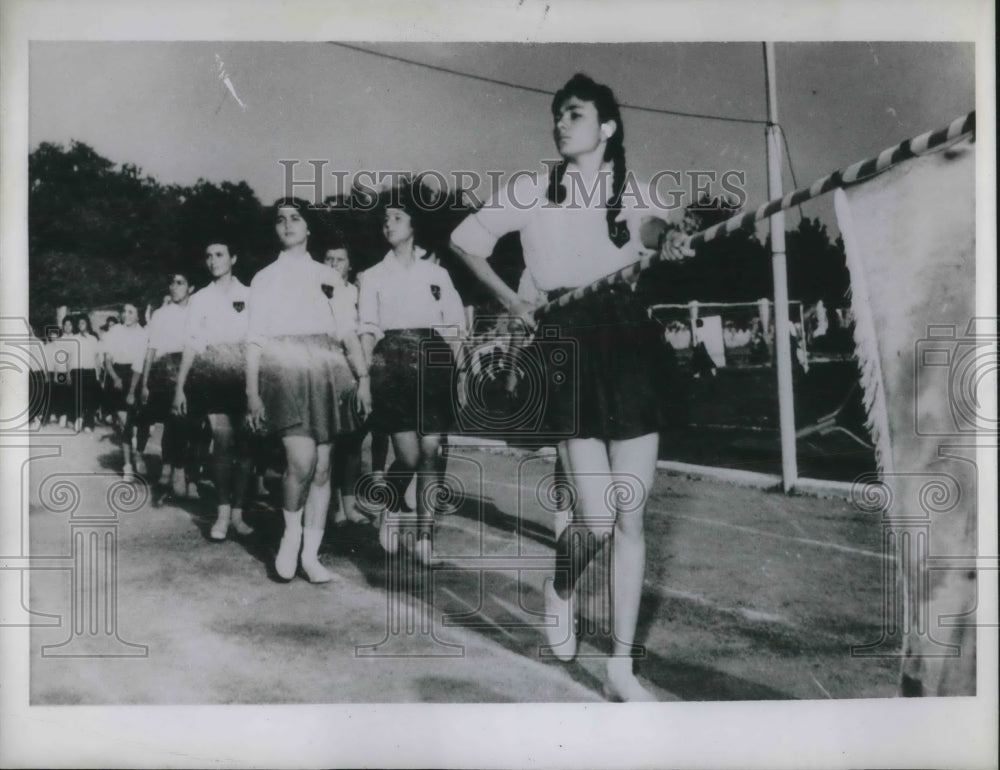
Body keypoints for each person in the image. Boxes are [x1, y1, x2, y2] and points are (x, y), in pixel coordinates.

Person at [449, 73, 693, 701]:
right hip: (567, 344)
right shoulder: (532, 189)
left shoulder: (635, 190)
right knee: (596, 516)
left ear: (607, 127)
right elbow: (464, 241)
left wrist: (668, 238)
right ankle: (562, 591)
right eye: (558, 114)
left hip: (629, 344)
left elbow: (649, 231)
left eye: (576, 114)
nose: (561, 123)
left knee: (630, 516)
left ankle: (620, 666)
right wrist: (514, 303)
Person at [245, 198, 371, 583]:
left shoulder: (328, 276)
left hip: (326, 368)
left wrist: (363, 379)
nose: (288, 224)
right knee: (299, 462)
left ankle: (312, 556)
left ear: (308, 228)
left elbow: (347, 332)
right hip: (284, 369)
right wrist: (252, 392)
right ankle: (290, 540)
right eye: (280, 219)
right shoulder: (263, 278)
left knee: (322, 468)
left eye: (296, 218)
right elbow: (254, 339)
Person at [358, 185, 467, 563]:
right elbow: (368, 329)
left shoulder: (436, 274)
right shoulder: (371, 276)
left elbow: (454, 327)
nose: (388, 224)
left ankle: (424, 540)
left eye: (397, 217)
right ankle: (390, 506)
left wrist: (462, 374)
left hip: (434, 361)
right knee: (407, 456)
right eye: (385, 218)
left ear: (414, 224)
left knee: (431, 452)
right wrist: (364, 380)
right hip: (393, 364)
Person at [172, 240, 255, 540]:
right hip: (214, 374)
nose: (213, 260)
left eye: (219, 254)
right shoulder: (200, 298)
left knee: (245, 446)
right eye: (207, 256)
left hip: (246, 372)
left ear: (233, 257)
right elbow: (192, 343)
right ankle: (221, 513)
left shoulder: (250, 294)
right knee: (221, 441)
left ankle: (238, 514)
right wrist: (180, 387)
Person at [323, 239, 371, 528]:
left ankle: (349, 506)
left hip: (353, 370)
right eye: (328, 259)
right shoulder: (316, 291)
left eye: (339, 260)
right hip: (325, 369)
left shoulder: (358, 293)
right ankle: (329, 505)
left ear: (349, 265)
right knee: (326, 442)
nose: (333, 265)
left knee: (353, 442)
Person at [138, 272, 198, 503]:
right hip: (165, 370)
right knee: (170, 421)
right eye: (172, 282)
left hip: (192, 369)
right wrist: (144, 384)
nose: (174, 287)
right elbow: (151, 349)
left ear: (191, 287)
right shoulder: (161, 315)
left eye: (180, 283)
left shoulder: (197, 311)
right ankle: (170, 468)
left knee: (189, 424)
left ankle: (184, 472)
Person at [102, 303, 149, 482]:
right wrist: (115, 377)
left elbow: (139, 364)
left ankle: (139, 454)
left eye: (131, 312)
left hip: (137, 376)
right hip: (117, 376)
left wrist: (131, 391)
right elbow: (108, 360)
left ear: (138, 316)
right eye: (124, 312)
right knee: (125, 423)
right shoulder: (114, 332)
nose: (126, 315)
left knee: (142, 422)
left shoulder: (143, 334)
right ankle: (128, 465)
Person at [72, 314, 101, 432]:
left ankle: (89, 423)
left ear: (87, 324)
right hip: (77, 370)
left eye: (83, 323)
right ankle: (78, 418)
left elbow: (96, 358)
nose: (80, 325)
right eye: (79, 324)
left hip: (90, 371)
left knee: (90, 398)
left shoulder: (93, 339)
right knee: (78, 396)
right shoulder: (74, 338)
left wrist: (98, 375)